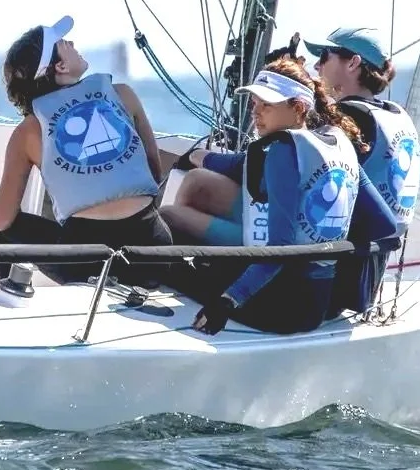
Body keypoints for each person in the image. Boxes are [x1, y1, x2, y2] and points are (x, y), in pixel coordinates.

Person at [162, 57, 398, 335]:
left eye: (267, 105)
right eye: (254, 104)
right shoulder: (339, 143)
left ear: (298, 107)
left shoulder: (281, 152)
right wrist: (330, 247)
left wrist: (228, 301)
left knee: (168, 266)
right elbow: (385, 226)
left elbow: (282, 248)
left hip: (280, 307)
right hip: (319, 301)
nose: (256, 114)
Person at [0, 15, 173, 287]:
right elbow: (154, 174)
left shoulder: (27, 131)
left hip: (83, 263)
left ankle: (10, 297)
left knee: (2, 227)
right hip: (151, 255)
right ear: (60, 66)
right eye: (64, 43)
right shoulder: (123, 94)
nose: (72, 42)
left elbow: (3, 220)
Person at [304, 26, 420, 314]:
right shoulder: (395, 114)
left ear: (353, 63)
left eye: (325, 56)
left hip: (330, 278)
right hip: (368, 276)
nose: (316, 65)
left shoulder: (349, 118)